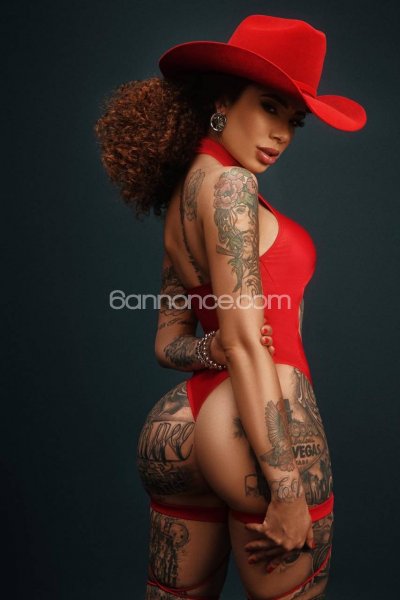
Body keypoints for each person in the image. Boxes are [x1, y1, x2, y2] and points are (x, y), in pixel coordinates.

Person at [94, 14, 366, 600]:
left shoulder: (185, 192)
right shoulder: (234, 189)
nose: (282, 134)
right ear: (222, 100)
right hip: (260, 429)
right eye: (270, 107)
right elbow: (246, 344)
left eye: (293, 121)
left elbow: (168, 344)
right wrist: (286, 490)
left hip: (180, 426)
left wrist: (208, 348)